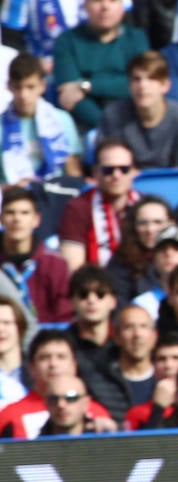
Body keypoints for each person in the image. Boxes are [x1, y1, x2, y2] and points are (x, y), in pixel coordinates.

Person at [50, 0, 148, 131]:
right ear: (85, 3)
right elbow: (69, 97)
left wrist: (87, 85)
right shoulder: (66, 42)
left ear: (122, 6)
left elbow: (140, 86)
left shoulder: (137, 40)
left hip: (133, 122)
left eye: (112, 0)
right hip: (86, 128)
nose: (105, 7)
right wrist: (108, 126)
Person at [0, 330, 113, 438]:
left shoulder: (96, 413)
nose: (53, 364)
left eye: (61, 357)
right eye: (44, 358)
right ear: (32, 367)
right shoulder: (9, 416)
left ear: (74, 365)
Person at [98, 51, 178, 170]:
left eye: (151, 79)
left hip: (171, 184)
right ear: (129, 84)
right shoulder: (113, 115)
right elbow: (109, 165)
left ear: (165, 85)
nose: (143, 86)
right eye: (137, 79)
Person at [57, 137, 140, 271]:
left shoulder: (147, 206)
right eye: (108, 170)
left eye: (124, 169)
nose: (116, 175)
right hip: (96, 286)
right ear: (96, 173)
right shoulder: (77, 208)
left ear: (135, 172)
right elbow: (73, 269)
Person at [2, 55, 80, 192]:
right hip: (11, 200)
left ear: (42, 86)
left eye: (30, 87)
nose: (24, 95)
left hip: (54, 196)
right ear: (8, 86)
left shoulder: (61, 120)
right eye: (18, 87)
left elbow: (72, 169)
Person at [0, 187, 71, 324]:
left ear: (36, 220)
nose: (17, 219)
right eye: (10, 213)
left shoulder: (55, 265)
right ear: (1, 219)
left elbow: (63, 315)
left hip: (44, 339)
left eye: (24, 213)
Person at [65, 264, 117, 368]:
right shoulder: (63, 345)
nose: (91, 300)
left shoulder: (123, 342)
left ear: (113, 301)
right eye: (83, 294)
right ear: (72, 302)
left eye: (100, 294)